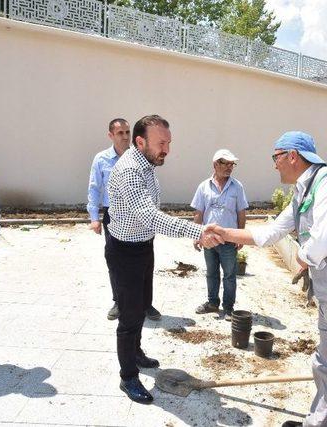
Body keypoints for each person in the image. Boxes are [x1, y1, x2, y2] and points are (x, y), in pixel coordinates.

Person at [210, 131, 327, 427]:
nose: (274, 165)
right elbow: (269, 233)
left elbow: (323, 240)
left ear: (292, 156)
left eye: (275, 157)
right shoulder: (304, 192)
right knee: (326, 367)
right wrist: (224, 233)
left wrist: (302, 260)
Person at [105, 114, 223, 404]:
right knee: (130, 317)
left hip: (143, 246)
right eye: (161, 143)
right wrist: (196, 231)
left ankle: (136, 352)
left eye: (169, 143)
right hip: (125, 252)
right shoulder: (131, 170)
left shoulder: (147, 165)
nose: (166, 149)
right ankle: (128, 377)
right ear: (140, 141)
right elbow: (148, 215)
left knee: (143, 304)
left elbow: (149, 211)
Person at [87, 118, 161, 322]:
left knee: (147, 260)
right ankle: (119, 302)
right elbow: (94, 188)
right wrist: (94, 218)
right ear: (111, 135)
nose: (125, 136)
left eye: (127, 132)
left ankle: (146, 304)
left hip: (141, 215)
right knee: (116, 262)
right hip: (115, 216)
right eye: (120, 133)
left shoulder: (140, 157)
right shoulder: (101, 159)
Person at [191, 149, 248, 321]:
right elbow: (198, 213)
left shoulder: (237, 187)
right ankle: (212, 303)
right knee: (211, 273)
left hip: (229, 240)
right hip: (209, 239)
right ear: (216, 164)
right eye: (226, 164)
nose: (230, 167)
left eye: (232, 164)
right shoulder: (203, 186)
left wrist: (241, 236)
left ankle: (229, 308)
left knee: (230, 275)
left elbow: (241, 214)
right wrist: (196, 234)